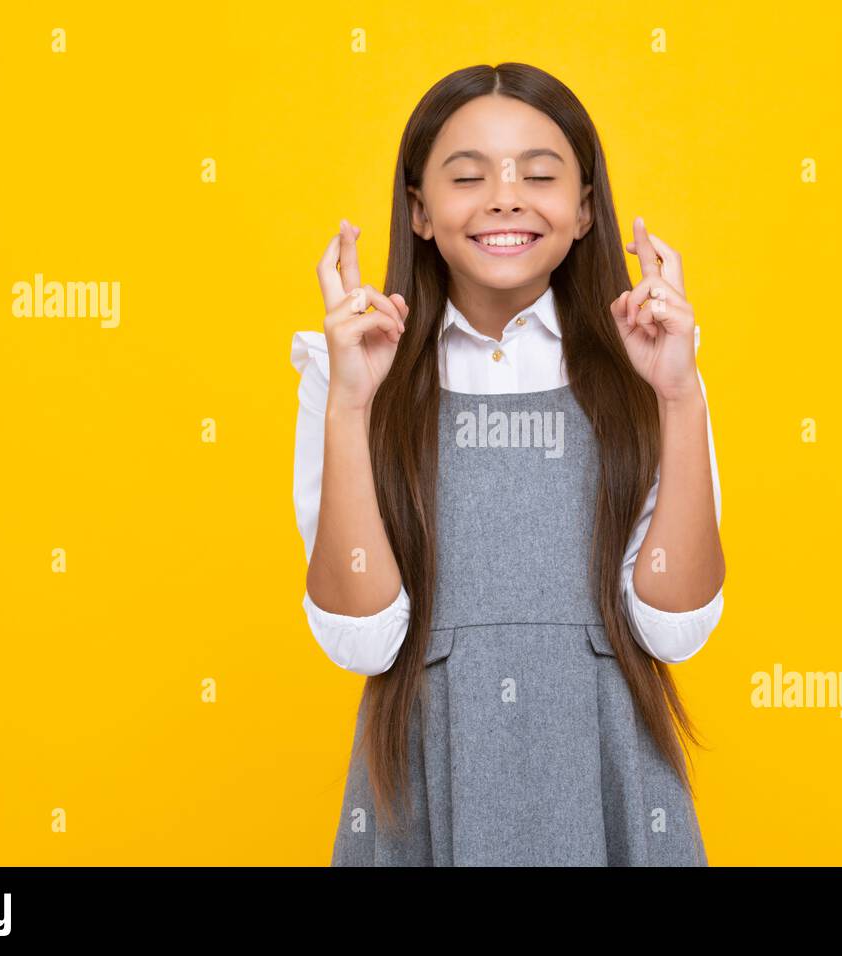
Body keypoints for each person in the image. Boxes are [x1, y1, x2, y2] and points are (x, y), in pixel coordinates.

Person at [290, 62, 725, 865]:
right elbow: (362, 639)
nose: (505, 196)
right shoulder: (350, 368)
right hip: (427, 775)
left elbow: (675, 625)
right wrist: (351, 403)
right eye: (467, 175)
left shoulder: (654, 367)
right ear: (418, 211)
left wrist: (678, 398)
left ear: (586, 208)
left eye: (539, 173)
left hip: (608, 774)